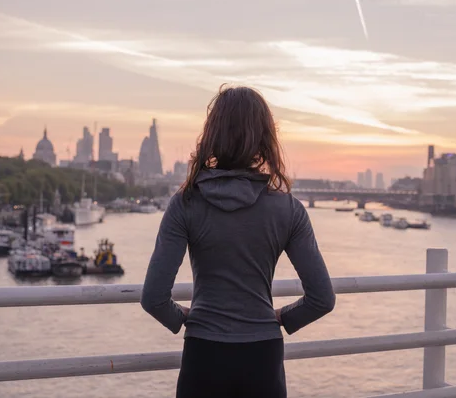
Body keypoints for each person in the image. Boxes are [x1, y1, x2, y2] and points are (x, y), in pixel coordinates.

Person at [141, 85, 336, 398]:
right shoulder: (288, 209)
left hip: (204, 355)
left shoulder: (185, 203)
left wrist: (186, 318)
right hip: (263, 357)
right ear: (264, 138)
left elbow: (153, 298)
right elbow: (322, 299)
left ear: (212, 134)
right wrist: (282, 318)